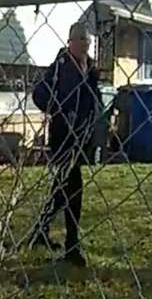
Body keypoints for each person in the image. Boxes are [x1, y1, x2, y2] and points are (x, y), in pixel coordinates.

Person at [25, 21, 100, 267]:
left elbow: (93, 97)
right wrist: (59, 108)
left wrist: (96, 117)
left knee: (62, 188)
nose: (84, 46)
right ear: (71, 42)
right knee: (74, 187)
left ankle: (40, 231)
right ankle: (72, 245)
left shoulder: (91, 68)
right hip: (63, 136)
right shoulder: (60, 67)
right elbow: (40, 95)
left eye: (87, 42)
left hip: (82, 136)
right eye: (80, 41)